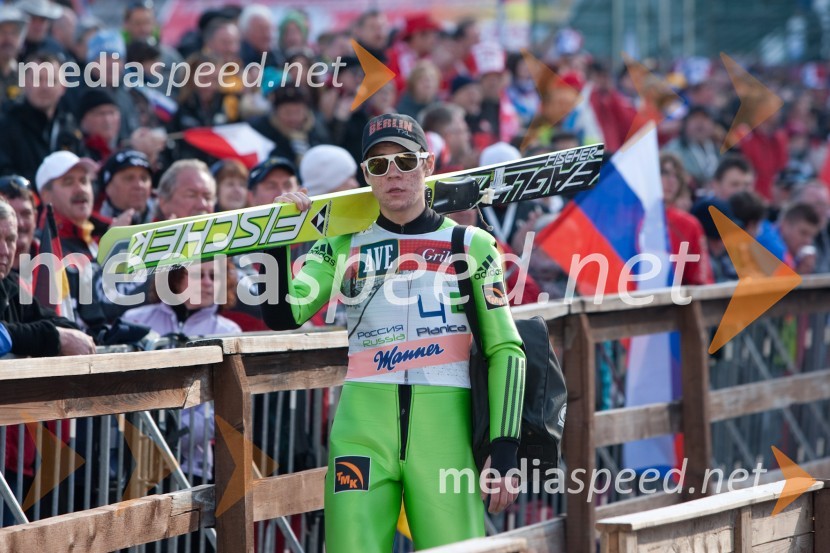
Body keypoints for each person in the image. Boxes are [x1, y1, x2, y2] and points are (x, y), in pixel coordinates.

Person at [261, 113, 526, 551]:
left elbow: (506, 350)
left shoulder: (470, 244)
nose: (393, 174)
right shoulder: (342, 243)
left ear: (428, 164)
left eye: (405, 161)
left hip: (446, 434)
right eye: (379, 165)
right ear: (366, 175)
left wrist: (504, 450)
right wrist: (276, 238)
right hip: (361, 432)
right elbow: (285, 314)